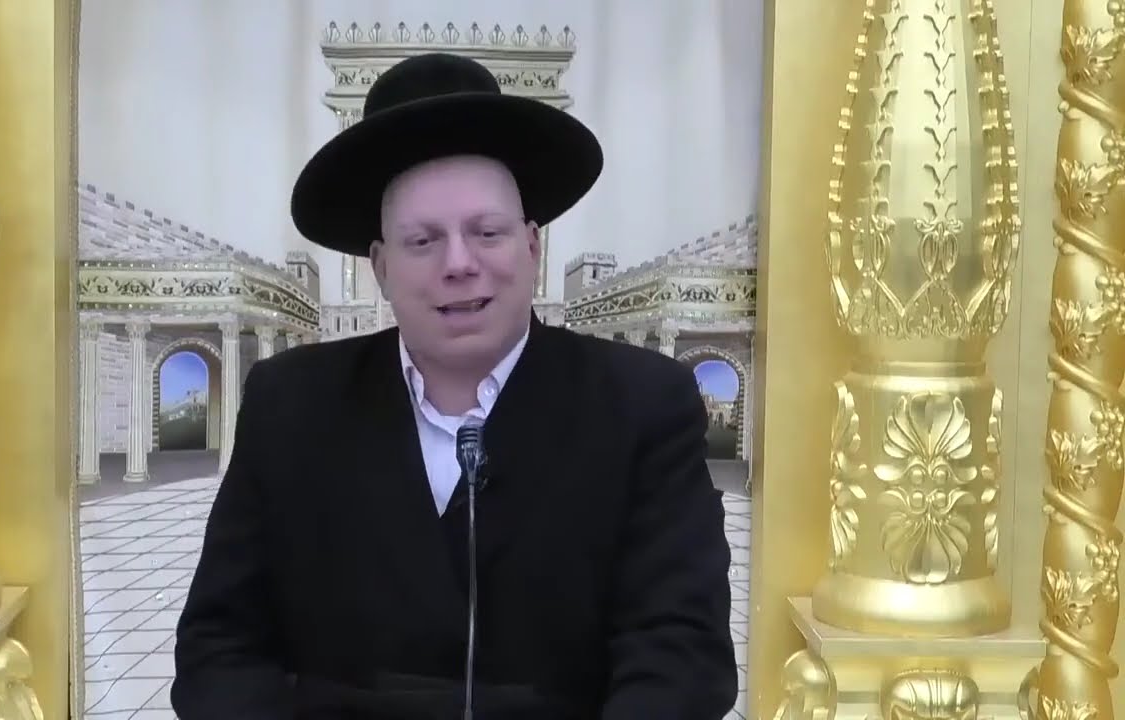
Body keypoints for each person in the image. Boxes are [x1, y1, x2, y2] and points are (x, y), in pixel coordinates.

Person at [171, 52, 737, 719]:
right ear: (382, 266)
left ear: (532, 248)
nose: (459, 264)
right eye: (422, 241)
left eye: (487, 232)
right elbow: (220, 649)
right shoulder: (289, 404)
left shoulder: (642, 404)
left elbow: (681, 654)